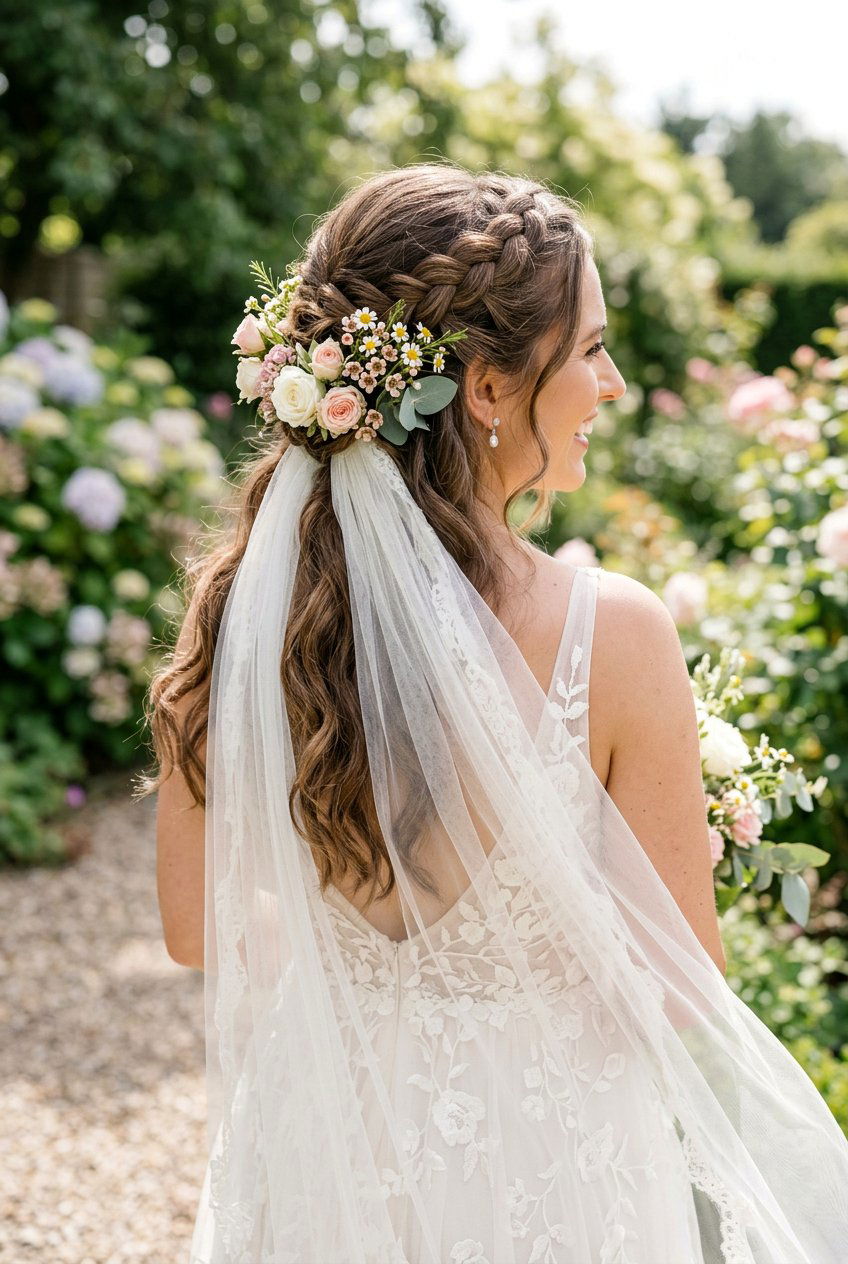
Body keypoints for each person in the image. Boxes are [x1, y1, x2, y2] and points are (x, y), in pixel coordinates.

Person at [139, 163, 848, 1263]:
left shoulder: (234, 615)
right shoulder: (611, 634)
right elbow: (676, 989)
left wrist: (377, 965)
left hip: (326, 1141)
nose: (609, 383)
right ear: (482, 390)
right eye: (591, 349)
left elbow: (197, 928)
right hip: (552, 1163)